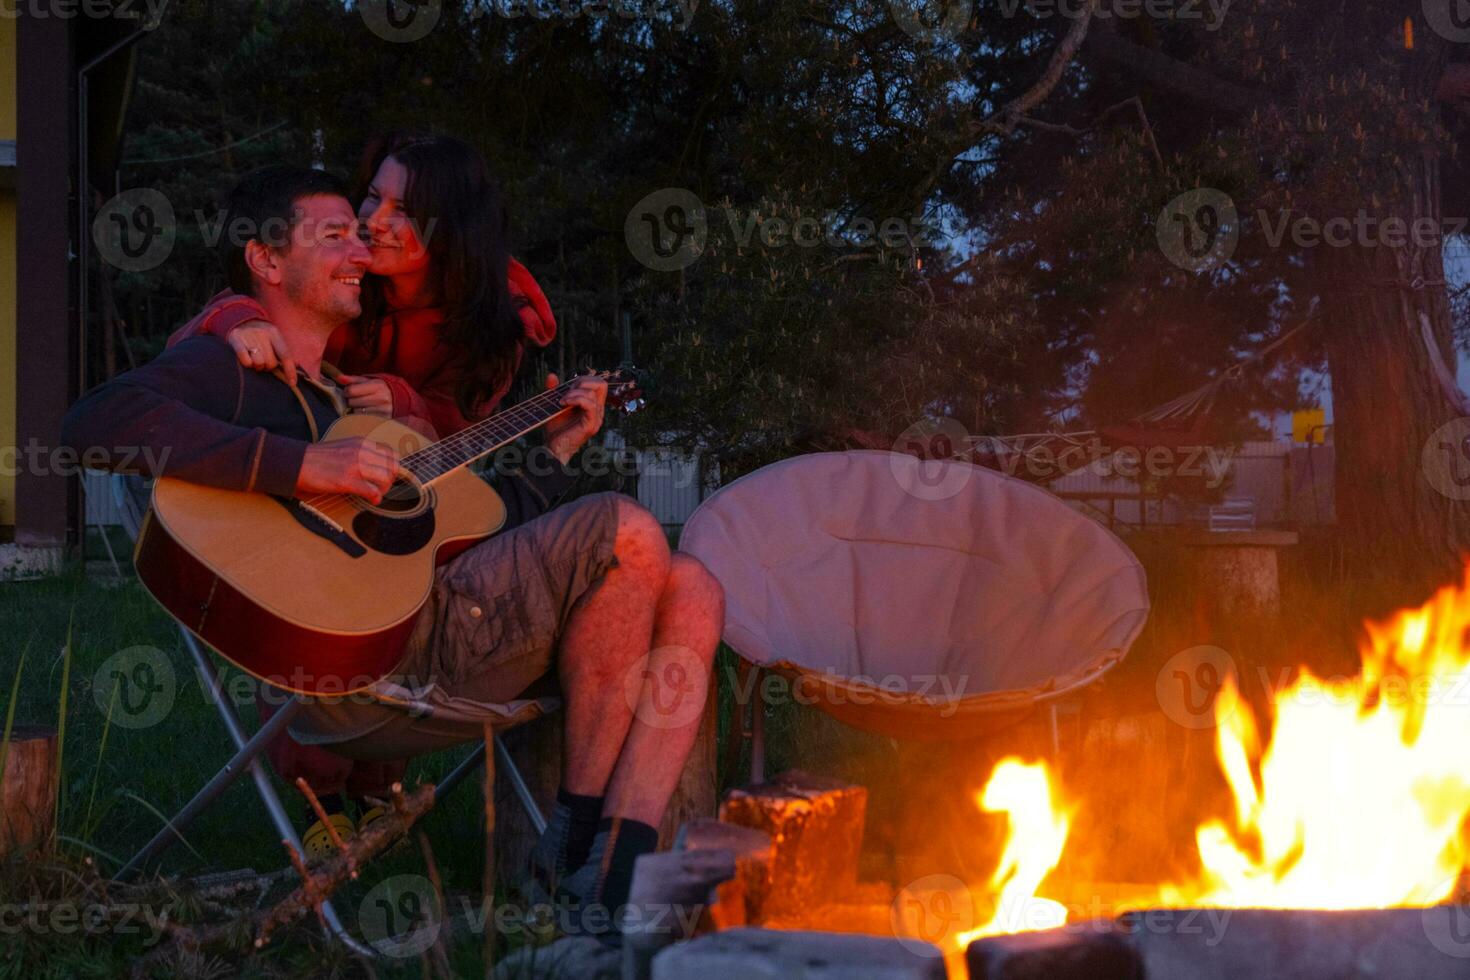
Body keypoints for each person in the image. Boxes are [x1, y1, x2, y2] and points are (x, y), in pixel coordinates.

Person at [63, 166, 725, 936]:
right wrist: (302, 466)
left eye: (361, 230)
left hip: (442, 629)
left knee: (697, 584)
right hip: (358, 666)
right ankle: (575, 836)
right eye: (335, 233)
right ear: (267, 262)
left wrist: (559, 447)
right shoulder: (240, 368)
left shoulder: (350, 402)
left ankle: (615, 863)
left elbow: (491, 523)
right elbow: (97, 421)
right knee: (626, 524)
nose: (361, 248)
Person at [168, 133, 570, 855]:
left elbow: (461, 434)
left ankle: (374, 785)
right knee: (313, 576)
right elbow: (250, 290)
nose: (375, 220)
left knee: (397, 558)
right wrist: (241, 320)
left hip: (401, 500)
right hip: (295, 493)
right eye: (372, 196)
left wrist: (406, 402)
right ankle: (320, 791)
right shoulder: (344, 271)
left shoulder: (489, 324)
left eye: (404, 209)